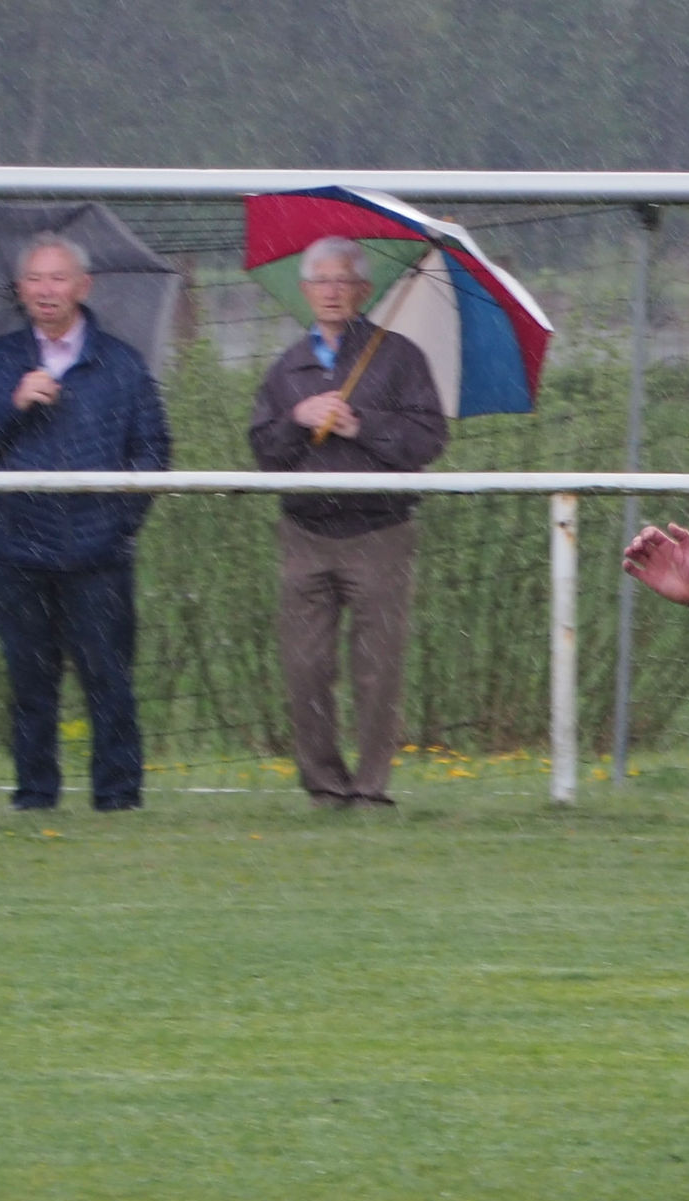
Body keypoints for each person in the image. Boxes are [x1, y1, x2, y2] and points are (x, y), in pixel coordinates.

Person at [0, 233, 171, 812]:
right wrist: (14, 403)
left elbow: (153, 451)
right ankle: (35, 795)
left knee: (109, 681)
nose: (45, 290)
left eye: (57, 278)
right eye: (34, 279)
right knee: (30, 684)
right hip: (17, 552)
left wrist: (118, 522)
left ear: (83, 286)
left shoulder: (121, 363)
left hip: (100, 556)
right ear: (20, 290)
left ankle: (118, 797)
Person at [250, 237, 448, 809]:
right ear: (305, 290)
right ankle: (324, 785)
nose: (332, 291)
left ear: (363, 290)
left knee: (378, 670)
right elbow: (264, 450)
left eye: (343, 281)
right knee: (305, 667)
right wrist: (298, 418)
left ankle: (369, 788)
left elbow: (428, 440)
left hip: (380, 533)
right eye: (321, 281)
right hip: (304, 535)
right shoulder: (287, 367)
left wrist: (361, 425)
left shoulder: (400, 358)